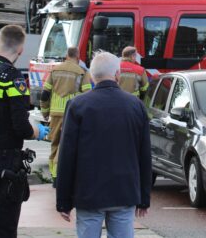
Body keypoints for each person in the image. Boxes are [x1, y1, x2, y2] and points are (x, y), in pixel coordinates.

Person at [56, 51, 151, 238]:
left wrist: (63, 201)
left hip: (88, 194)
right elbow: (144, 154)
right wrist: (144, 198)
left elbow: (67, 155)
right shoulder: (136, 106)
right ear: (117, 74)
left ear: (92, 76)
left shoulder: (77, 105)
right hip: (124, 192)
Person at [0, 25, 49, 238]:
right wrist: (38, 131)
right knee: (3, 226)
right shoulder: (12, 78)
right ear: (21, 50)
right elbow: (21, 127)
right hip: (4, 164)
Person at [41, 46, 92, 185]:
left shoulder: (54, 70)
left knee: (55, 143)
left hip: (55, 114)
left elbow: (45, 94)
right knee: (68, 145)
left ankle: (54, 176)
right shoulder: (82, 72)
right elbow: (88, 96)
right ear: (78, 57)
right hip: (73, 114)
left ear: (66, 56)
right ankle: (64, 176)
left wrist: (45, 112)